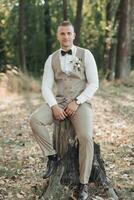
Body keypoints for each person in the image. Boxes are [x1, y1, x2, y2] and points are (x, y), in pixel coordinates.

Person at [30, 21, 99, 200]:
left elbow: (93, 84)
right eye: (62, 34)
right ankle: (52, 158)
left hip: (80, 102)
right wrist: (53, 106)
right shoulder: (51, 58)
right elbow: (46, 87)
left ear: (74, 35)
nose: (66, 37)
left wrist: (78, 101)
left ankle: (83, 184)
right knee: (35, 119)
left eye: (69, 33)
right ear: (58, 35)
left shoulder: (86, 54)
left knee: (86, 138)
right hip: (59, 101)